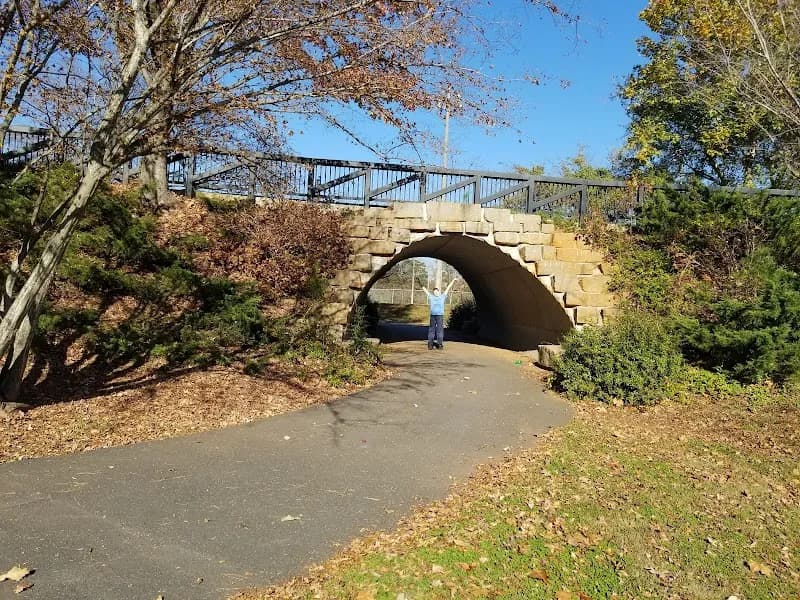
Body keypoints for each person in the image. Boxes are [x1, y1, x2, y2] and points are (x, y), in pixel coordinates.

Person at [422, 279, 456, 350]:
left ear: (438, 292)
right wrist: (420, 283)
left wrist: (453, 280)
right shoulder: (440, 296)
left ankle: (431, 345)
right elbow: (425, 290)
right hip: (437, 316)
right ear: (434, 293)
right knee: (438, 330)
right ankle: (438, 345)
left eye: (436, 292)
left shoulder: (437, 296)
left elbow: (448, 287)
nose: (435, 293)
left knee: (433, 330)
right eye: (434, 292)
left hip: (435, 315)